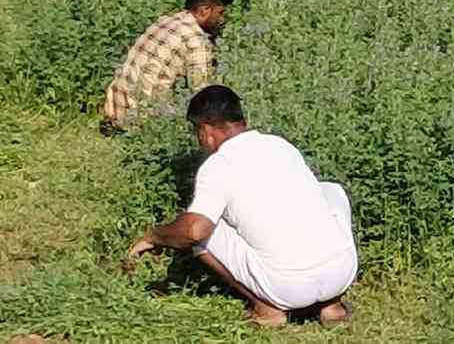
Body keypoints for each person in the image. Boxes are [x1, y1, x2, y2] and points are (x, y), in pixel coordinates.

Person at [128, 85, 357, 327]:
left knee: (201, 229)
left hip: (287, 288)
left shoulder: (218, 166)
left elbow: (194, 231)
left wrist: (154, 237)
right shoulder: (279, 144)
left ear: (205, 130)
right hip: (341, 274)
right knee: (330, 190)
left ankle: (267, 310)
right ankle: (332, 306)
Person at [101, 0, 235, 133]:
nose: (222, 20)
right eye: (220, 13)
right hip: (145, 121)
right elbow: (202, 95)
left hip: (117, 112)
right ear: (204, 10)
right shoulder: (196, 40)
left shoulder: (167, 20)